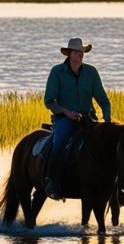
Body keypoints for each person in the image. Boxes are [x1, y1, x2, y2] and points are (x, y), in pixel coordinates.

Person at [42, 37, 111, 200]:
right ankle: (50, 181)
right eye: (76, 52)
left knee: (106, 145)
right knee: (58, 143)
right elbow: (49, 101)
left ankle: (110, 183)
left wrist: (107, 122)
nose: (80, 55)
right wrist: (66, 112)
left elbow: (103, 100)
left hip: (88, 119)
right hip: (64, 118)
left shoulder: (91, 72)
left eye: (82, 52)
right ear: (69, 54)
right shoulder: (57, 72)